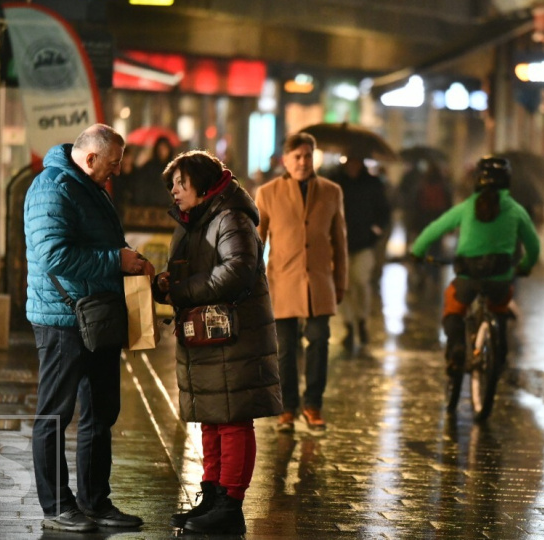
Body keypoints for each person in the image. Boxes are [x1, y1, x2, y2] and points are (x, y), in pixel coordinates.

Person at [24, 123, 152, 532]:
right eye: (112, 164)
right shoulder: (52, 188)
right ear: (91, 157)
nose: (117, 172)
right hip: (62, 319)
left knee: (101, 411)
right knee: (54, 415)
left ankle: (95, 502)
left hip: (96, 317)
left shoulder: (91, 186)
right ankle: (57, 506)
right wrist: (117, 260)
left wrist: (127, 259)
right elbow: (55, 256)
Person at [152, 150, 282, 534]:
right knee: (211, 417)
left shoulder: (231, 218)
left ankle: (231, 503)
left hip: (234, 335)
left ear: (203, 185)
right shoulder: (194, 221)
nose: (174, 191)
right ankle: (211, 495)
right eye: (173, 184)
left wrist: (183, 290)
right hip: (207, 335)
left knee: (233, 420)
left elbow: (237, 271)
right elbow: (190, 271)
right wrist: (166, 284)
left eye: (181, 183)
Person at [410, 156, 540, 398]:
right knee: (499, 307)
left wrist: (417, 253)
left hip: (468, 277)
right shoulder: (516, 210)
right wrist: (524, 266)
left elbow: (434, 230)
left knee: (453, 308)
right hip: (500, 278)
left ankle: (458, 347)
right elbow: (533, 245)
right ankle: (498, 350)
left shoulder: (467, 206)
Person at [255, 132, 348, 432]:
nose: (303, 162)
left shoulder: (331, 191)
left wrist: (340, 280)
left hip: (319, 280)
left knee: (319, 340)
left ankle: (313, 405)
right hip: (282, 280)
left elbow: (340, 241)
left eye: (308, 156)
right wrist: (253, 280)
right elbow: (258, 240)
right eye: (297, 156)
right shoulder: (268, 193)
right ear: (286, 160)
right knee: (284, 348)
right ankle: (287, 407)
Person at [329, 153, 391, 352]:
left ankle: (362, 320)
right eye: (350, 161)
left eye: (356, 161)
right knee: (343, 285)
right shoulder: (335, 181)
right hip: (340, 243)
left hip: (364, 243)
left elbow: (384, 210)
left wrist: (376, 230)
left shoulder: (372, 183)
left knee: (361, 281)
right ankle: (348, 325)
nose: (353, 165)